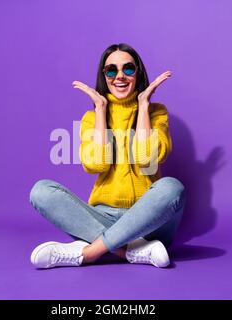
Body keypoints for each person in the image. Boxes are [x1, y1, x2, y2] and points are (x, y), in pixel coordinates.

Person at [29, 43, 186, 269]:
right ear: (104, 76)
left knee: (172, 187)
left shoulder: (156, 112)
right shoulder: (91, 118)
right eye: (111, 70)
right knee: (41, 191)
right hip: (101, 217)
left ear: (138, 72)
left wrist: (143, 106)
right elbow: (96, 164)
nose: (119, 76)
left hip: (150, 223)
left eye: (128, 69)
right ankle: (131, 251)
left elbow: (146, 159)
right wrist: (100, 109)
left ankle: (89, 252)